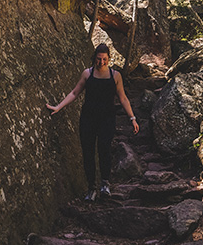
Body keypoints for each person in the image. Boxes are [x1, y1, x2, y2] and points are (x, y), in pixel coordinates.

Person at [47, 43, 139, 201]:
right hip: (88, 118)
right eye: (98, 59)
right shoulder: (87, 74)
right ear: (94, 58)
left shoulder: (115, 76)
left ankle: (105, 184)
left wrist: (132, 118)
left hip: (107, 119)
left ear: (109, 59)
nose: (101, 62)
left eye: (104, 59)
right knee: (88, 152)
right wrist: (59, 107)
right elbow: (75, 92)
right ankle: (91, 188)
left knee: (104, 149)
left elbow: (123, 98)